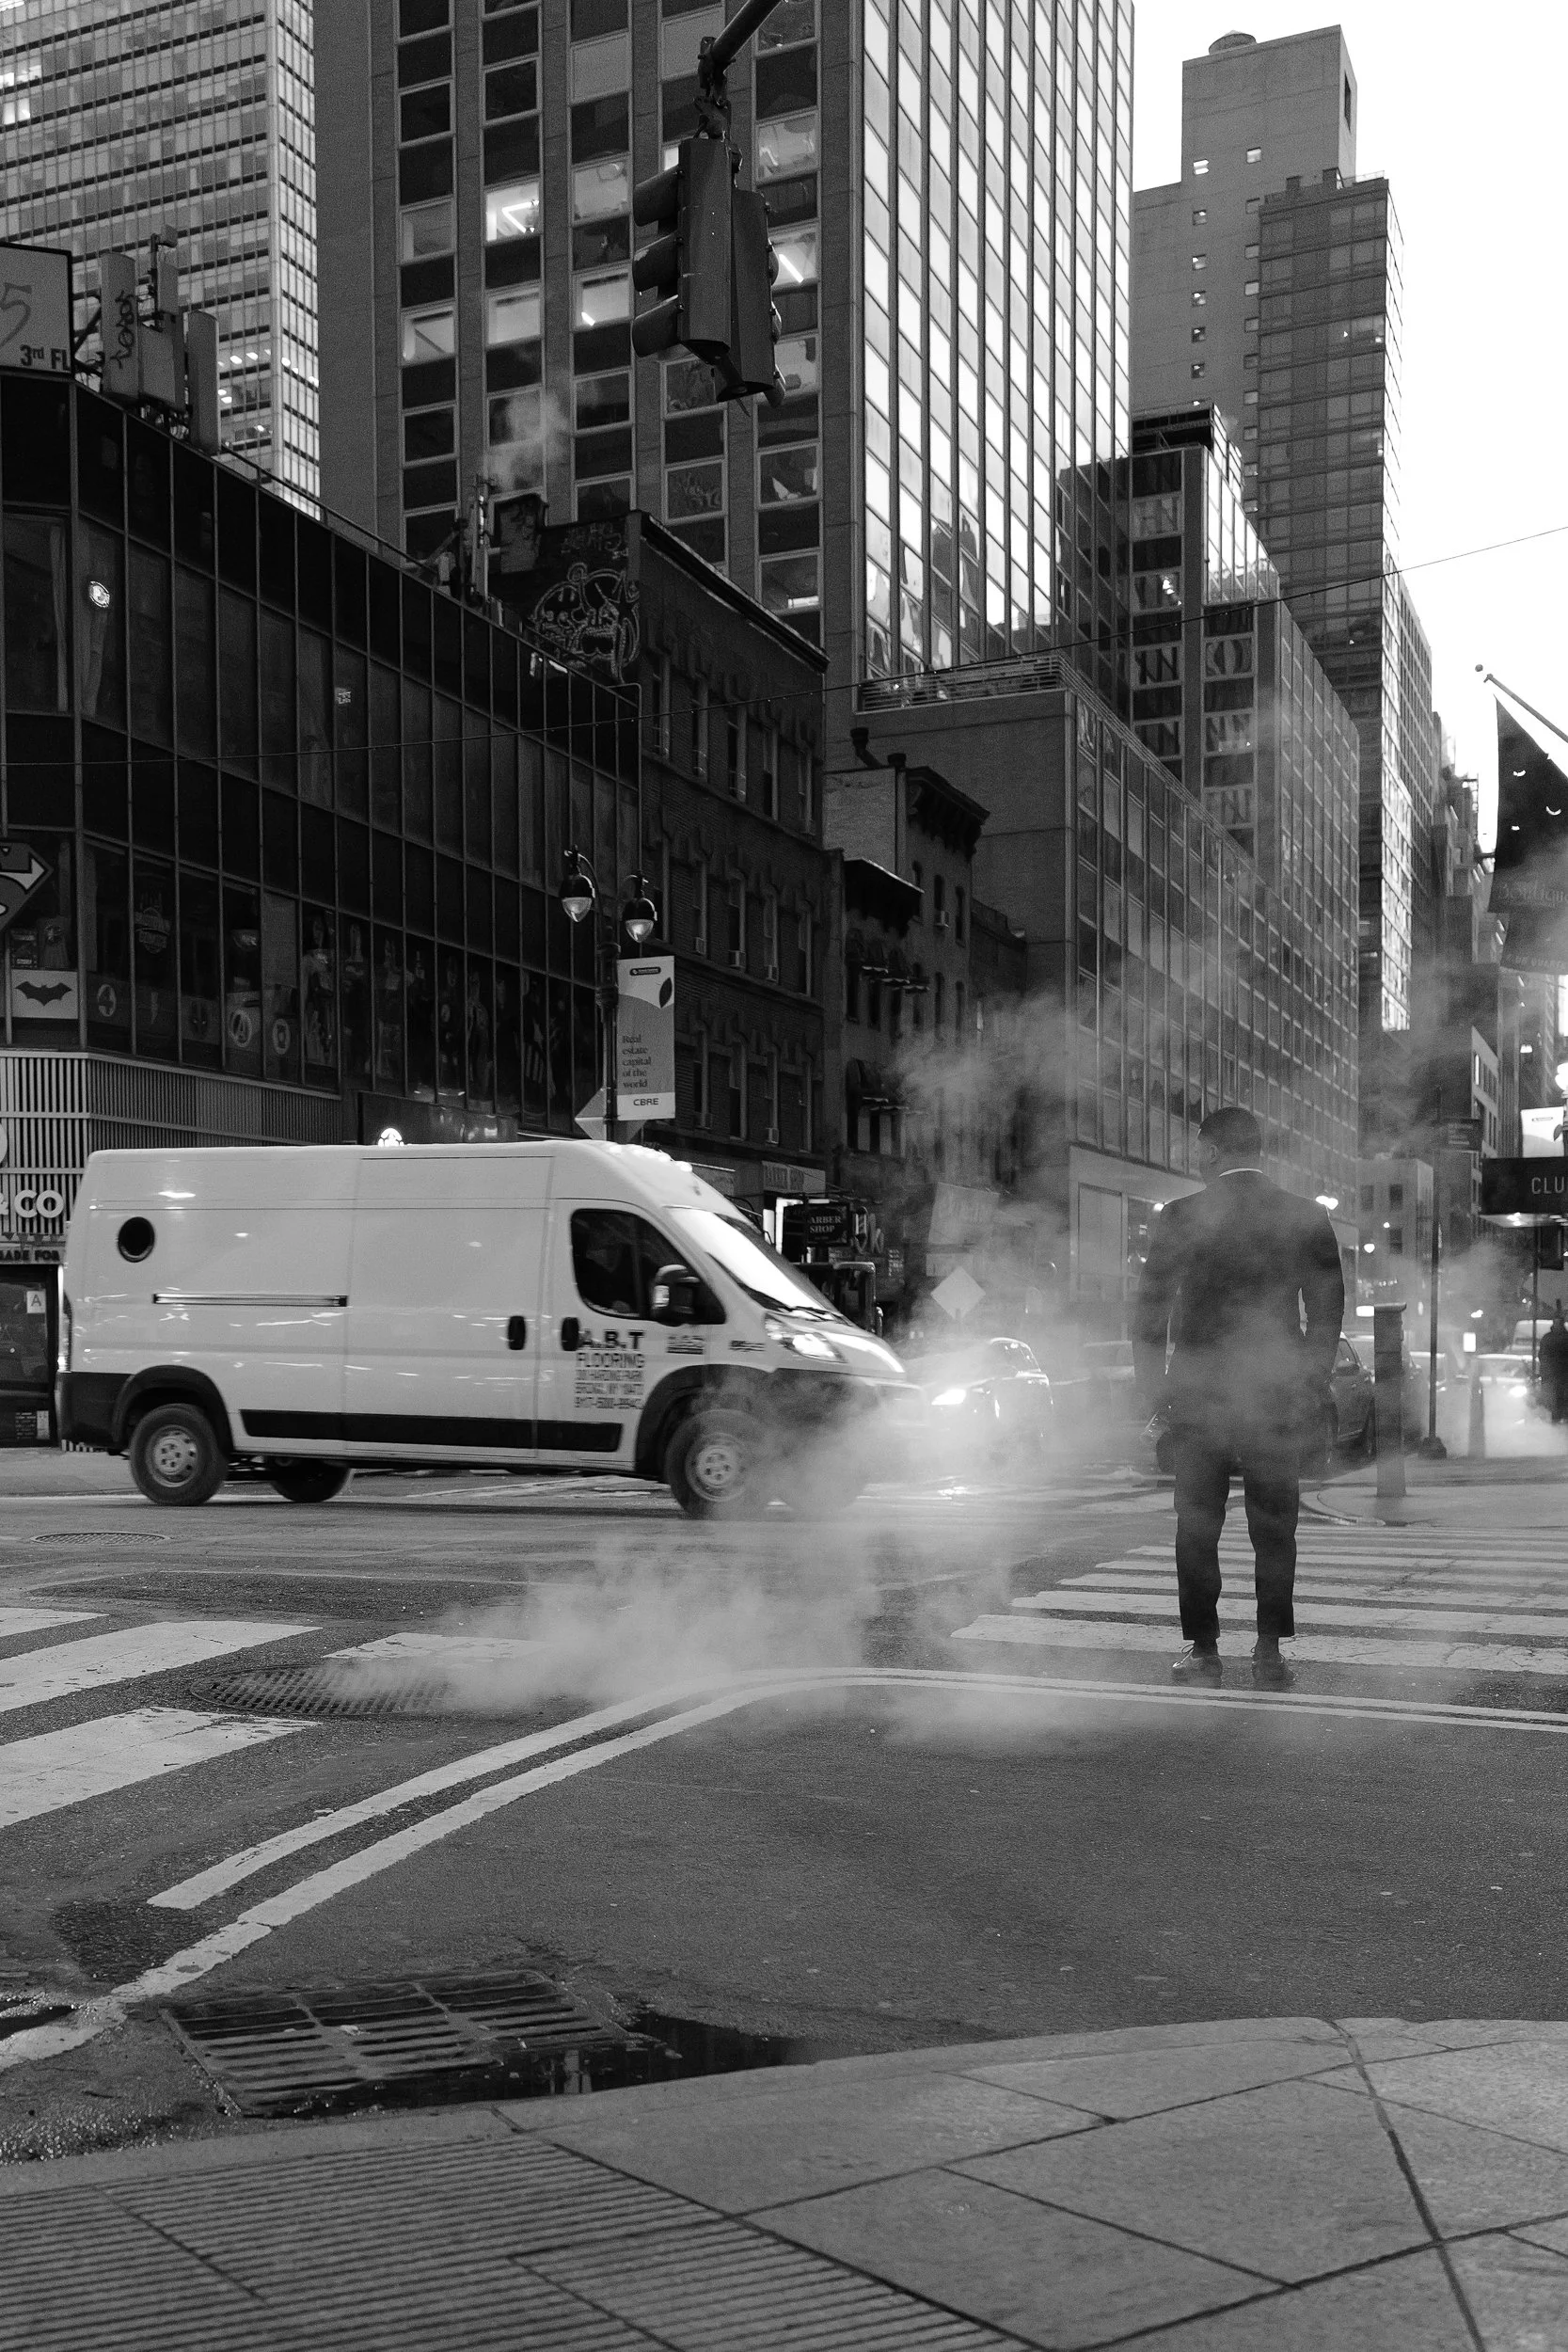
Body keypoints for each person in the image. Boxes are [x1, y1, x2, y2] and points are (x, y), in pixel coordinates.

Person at [1132, 1106, 1345, 1692]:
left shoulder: (1180, 1217)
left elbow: (1149, 1316)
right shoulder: (1305, 1216)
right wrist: (1310, 1381)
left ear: (1210, 1150)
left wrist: (1153, 1396)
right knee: (1275, 1526)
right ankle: (1269, 1652)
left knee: (1196, 1525)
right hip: (1275, 1395)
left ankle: (1203, 1651)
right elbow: (1327, 1311)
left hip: (1199, 1398)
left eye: (1200, 1147)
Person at [1541, 1300, 1568, 1424]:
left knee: (1556, 1403)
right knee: (1558, 1402)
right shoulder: (1549, 1338)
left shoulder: (1548, 1338)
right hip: (1557, 1377)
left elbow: (1542, 1357)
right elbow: (1543, 1357)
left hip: (1556, 1377)